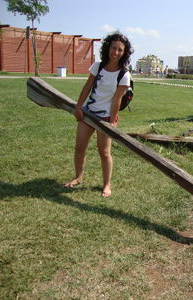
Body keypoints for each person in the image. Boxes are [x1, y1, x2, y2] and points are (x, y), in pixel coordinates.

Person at [64, 32, 134, 197]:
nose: (115, 52)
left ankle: (107, 185)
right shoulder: (98, 66)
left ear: (124, 53)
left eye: (120, 50)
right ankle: (78, 177)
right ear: (108, 48)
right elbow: (87, 86)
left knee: (104, 152)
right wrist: (79, 107)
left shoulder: (124, 74)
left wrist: (111, 121)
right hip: (88, 113)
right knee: (79, 147)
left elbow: (117, 100)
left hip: (106, 118)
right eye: (113, 48)